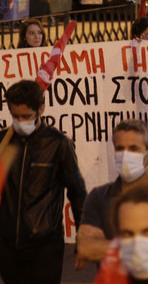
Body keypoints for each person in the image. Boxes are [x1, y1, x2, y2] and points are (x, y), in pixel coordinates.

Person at [0, 79, 87, 284]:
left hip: (44, 248)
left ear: (41, 109)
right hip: (7, 246)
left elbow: (78, 194)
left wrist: (83, 239)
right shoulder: (3, 142)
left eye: (26, 116)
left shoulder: (58, 144)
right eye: (15, 116)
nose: (20, 122)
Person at [77, 120, 148, 266]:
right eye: (120, 149)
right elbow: (85, 248)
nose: (125, 155)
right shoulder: (98, 196)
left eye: (133, 149)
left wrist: (107, 247)